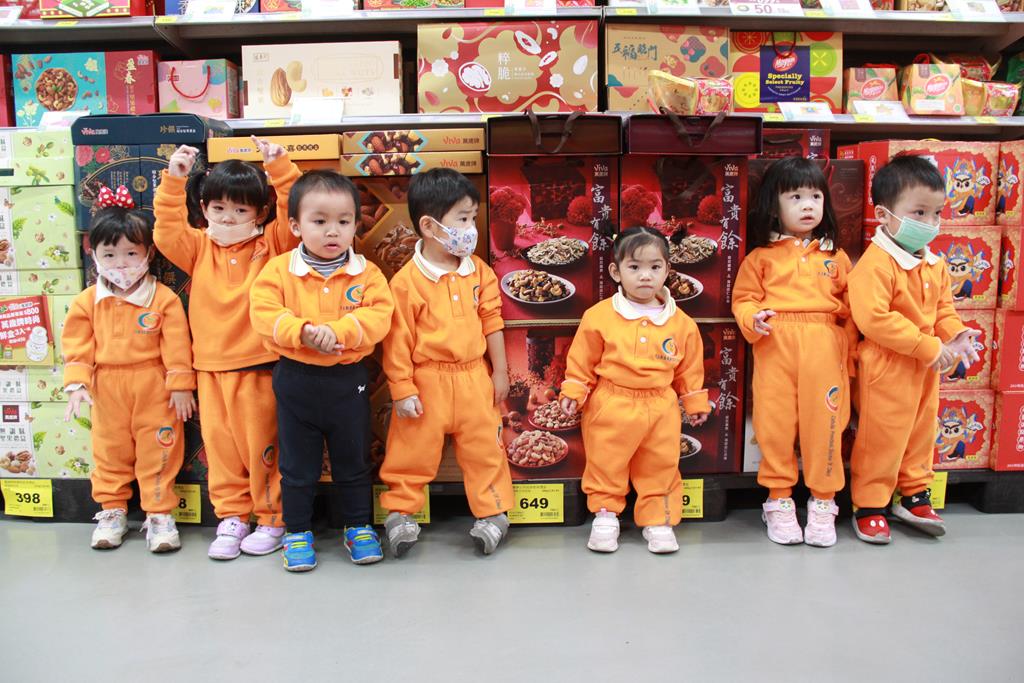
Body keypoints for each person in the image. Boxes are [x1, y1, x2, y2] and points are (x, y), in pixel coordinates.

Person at [155, 137, 300, 560]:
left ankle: (272, 518)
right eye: (218, 208)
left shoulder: (271, 243)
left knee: (264, 449)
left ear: (260, 212)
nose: (228, 217)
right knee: (221, 451)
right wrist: (174, 180)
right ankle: (232, 516)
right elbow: (166, 230)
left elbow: (295, 214)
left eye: (240, 210)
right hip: (210, 368)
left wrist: (280, 168)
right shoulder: (198, 247)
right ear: (204, 209)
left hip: (261, 366)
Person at [250, 170, 394, 571]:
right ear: (295, 226)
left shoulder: (367, 273)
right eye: (319, 221)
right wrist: (301, 332)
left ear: (356, 224)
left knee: (354, 459)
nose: (333, 231)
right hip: (296, 379)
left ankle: (358, 526)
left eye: (344, 221)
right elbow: (263, 313)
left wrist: (339, 332)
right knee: (297, 465)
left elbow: (379, 316)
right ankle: (297, 531)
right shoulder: (279, 271)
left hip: (348, 381)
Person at [379, 168, 514, 557]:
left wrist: (500, 371)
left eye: (473, 218)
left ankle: (493, 512)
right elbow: (397, 340)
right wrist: (402, 389)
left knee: (485, 448)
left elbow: (492, 321)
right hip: (426, 382)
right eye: (463, 219)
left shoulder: (479, 272)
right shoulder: (406, 282)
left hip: (474, 377)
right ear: (429, 225)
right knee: (411, 449)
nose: (471, 229)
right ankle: (401, 513)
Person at [848, 154, 980, 544]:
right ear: (884, 214)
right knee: (882, 436)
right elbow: (874, 319)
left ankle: (914, 493)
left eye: (936, 213)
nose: (930, 223)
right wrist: (926, 345)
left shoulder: (934, 264)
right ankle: (869, 503)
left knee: (922, 431)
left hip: (926, 364)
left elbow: (943, 309)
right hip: (887, 366)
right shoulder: (875, 265)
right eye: (919, 213)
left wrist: (956, 334)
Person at [559, 227, 710, 554]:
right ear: (616, 272)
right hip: (612, 402)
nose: (645, 276)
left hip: (661, 406)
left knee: (661, 462)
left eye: (655, 267)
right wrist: (574, 391)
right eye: (634, 267)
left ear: (668, 271)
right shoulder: (599, 316)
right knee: (605, 459)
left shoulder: (681, 323)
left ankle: (659, 518)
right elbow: (582, 360)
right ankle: (605, 514)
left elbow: (690, 368)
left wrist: (694, 400)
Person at [732, 157, 857, 548]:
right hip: (776, 345)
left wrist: (849, 354)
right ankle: (778, 498)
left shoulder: (835, 258)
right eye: (796, 197)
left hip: (824, 346)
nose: (808, 206)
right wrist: (754, 318)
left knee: (827, 424)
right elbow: (743, 299)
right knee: (775, 423)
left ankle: (824, 500)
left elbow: (853, 309)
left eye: (816, 197)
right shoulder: (760, 258)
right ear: (773, 206)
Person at [63, 187, 196, 553]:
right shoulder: (87, 302)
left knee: (160, 449)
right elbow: (77, 345)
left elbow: (177, 345)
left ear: (148, 253)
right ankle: (111, 510)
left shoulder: (163, 298)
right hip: (106, 386)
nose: (121, 264)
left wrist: (180, 385)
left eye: (131, 253)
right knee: (109, 449)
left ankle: (160, 513)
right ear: (94, 255)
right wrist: (77, 384)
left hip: (154, 385)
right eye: (110, 255)